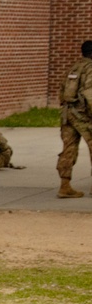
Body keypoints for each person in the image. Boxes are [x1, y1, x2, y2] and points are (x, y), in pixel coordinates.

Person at [57, 40, 92, 198]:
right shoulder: (90, 68)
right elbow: (90, 94)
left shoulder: (74, 67)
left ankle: (65, 186)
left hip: (67, 114)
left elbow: (62, 92)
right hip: (83, 116)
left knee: (68, 149)